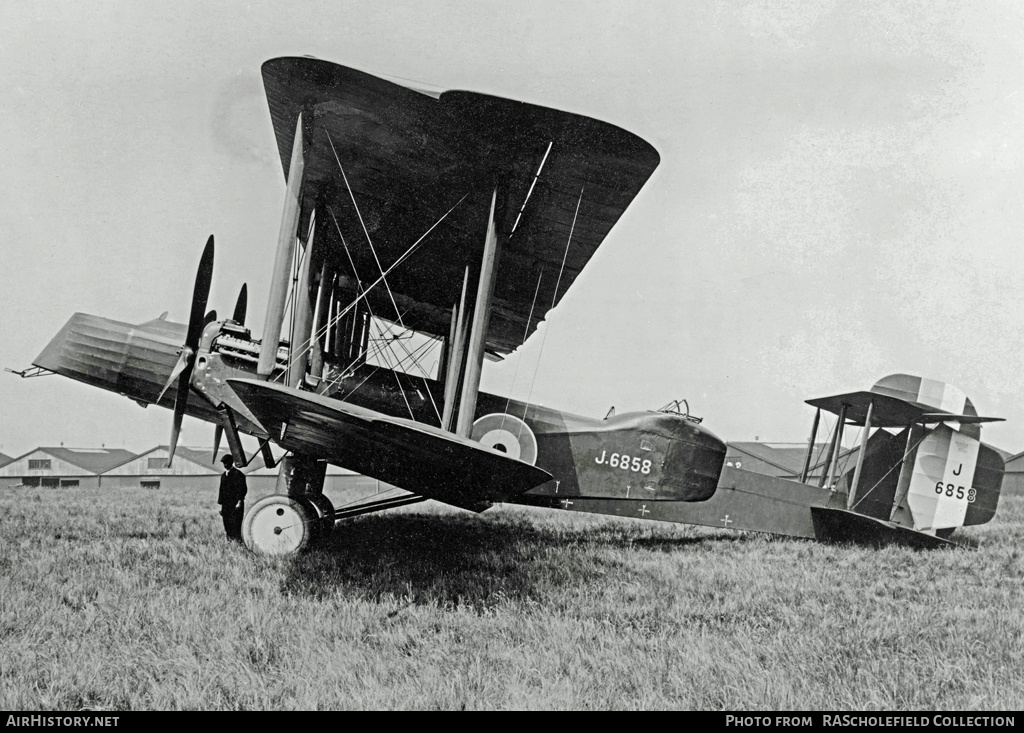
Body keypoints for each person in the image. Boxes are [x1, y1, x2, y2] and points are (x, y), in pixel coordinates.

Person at [217, 454, 247, 541]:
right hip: (226, 505)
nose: (225, 465)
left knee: (236, 524)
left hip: (235, 504)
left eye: (226, 462)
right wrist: (222, 506)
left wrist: (239, 502)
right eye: (224, 463)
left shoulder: (238, 474)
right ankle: (230, 542)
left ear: (231, 462)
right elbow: (221, 490)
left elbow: (242, 489)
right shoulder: (223, 475)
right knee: (227, 524)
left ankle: (238, 542)